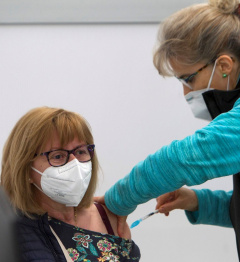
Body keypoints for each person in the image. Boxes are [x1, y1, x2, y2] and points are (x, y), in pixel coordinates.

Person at [96, 0, 240, 261]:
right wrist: (196, 201)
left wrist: (115, 203)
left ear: (224, 65)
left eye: (187, 78)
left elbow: (184, 159)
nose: (186, 91)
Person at [0, 107, 140, 262]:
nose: (75, 164)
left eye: (80, 152)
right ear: (25, 168)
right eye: (58, 156)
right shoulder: (11, 233)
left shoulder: (110, 220)